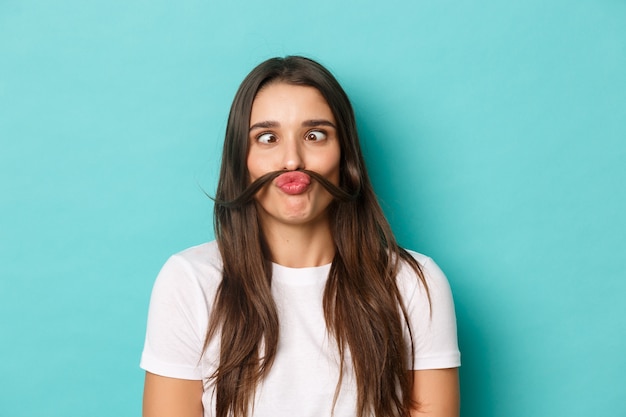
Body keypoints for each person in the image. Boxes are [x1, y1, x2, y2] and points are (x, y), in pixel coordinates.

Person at [140, 56, 461, 417]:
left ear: (346, 155)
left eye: (314, 135)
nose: (292, 160)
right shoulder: (189, 282)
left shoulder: (415, 284)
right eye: (267, 138)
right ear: (240, 159)